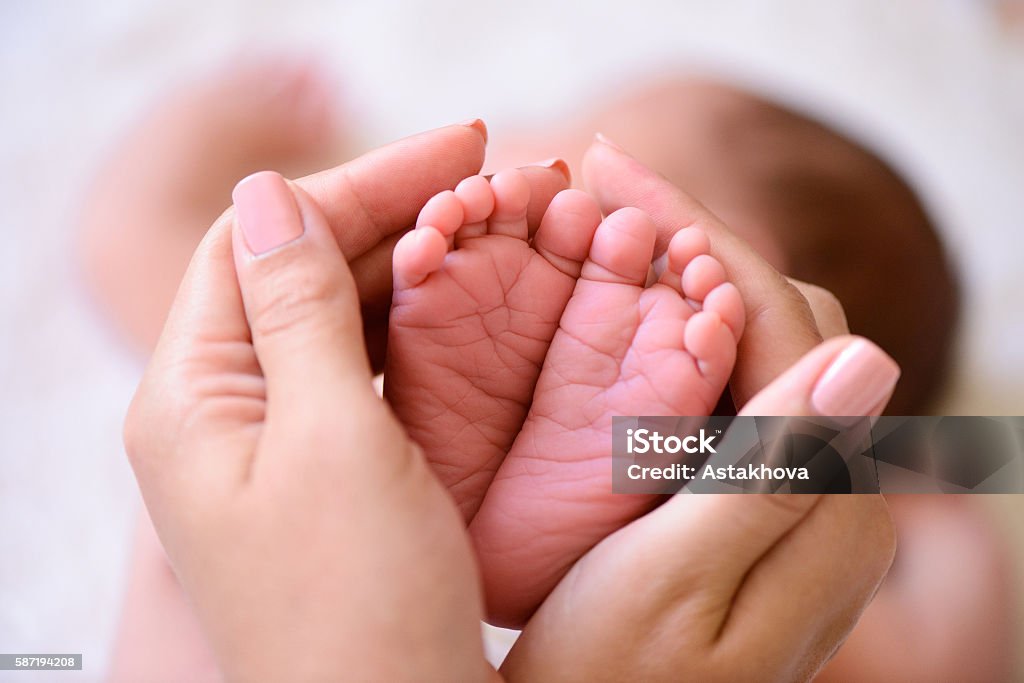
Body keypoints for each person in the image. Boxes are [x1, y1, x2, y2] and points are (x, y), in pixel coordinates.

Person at [124, 123, 897, 679]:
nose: (535, 135)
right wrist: (897, 461)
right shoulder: (880, 491)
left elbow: (189, 315)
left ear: (739, 239)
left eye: (572, 112)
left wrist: (148, 192)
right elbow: (982, 460)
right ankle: (620, 487)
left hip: (313, 585)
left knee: (186, 550)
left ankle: (531, 475)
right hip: (702, 569)